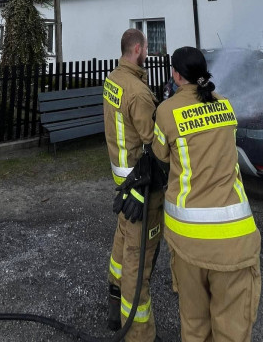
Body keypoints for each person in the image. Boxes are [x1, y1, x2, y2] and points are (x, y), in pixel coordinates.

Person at [152, 47, 261, 342]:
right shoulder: (225, 105)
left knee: (194, 324)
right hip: (235, 242)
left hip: (189, 242)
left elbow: (160, 153)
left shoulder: (166, 111)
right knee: (232, 330)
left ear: (176, 75)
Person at [103, 28, 164, 342]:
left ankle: (114, 300)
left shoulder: (114, 78)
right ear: (138, 48)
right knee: (138, 259)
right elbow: (153, 140)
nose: (149, 52)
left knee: (122, 242)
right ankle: (138, 332)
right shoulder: (138, 93)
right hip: (141, 186)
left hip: (123, 182)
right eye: (148, 47)